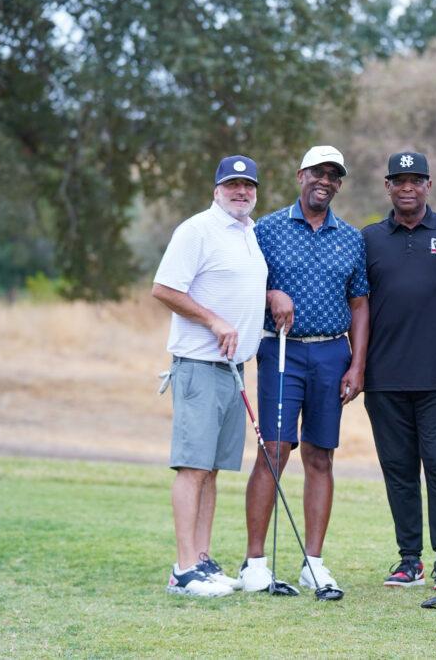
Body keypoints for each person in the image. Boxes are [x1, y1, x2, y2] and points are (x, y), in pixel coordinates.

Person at [240, 145, 369, 598]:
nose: (325, 181)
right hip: (281, 350)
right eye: (318, 172)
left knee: (320, 456)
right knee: (273, 451)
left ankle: (313, 563)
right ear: (301, 175)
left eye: (334, 175)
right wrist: (270, 294)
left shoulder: (350, 238)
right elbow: (243, 282)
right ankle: (255, 562)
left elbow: (359, 304)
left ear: (339, 184)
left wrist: (358, 363)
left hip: (332, 353)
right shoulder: (267, 228)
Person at [152, 155, 268, 597]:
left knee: (212, 470)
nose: (241, 192)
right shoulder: (197, 230)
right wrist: (213, 320)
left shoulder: (249, 232)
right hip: (199, 365)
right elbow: (164, 289)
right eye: (233, 185)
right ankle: (183, 569)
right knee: (193, 467)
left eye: (248, 185)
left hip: (233, 369)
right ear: (217, 189)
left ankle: (201, 560)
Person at [361, 151, 436, 590]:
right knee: (398, 469)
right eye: (399, 180)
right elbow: (359, 302)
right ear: (388, 186)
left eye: (416, 180)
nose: (408, 188)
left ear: (428, 185)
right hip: (384, 376)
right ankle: (410, 560)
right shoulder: (369, 238)